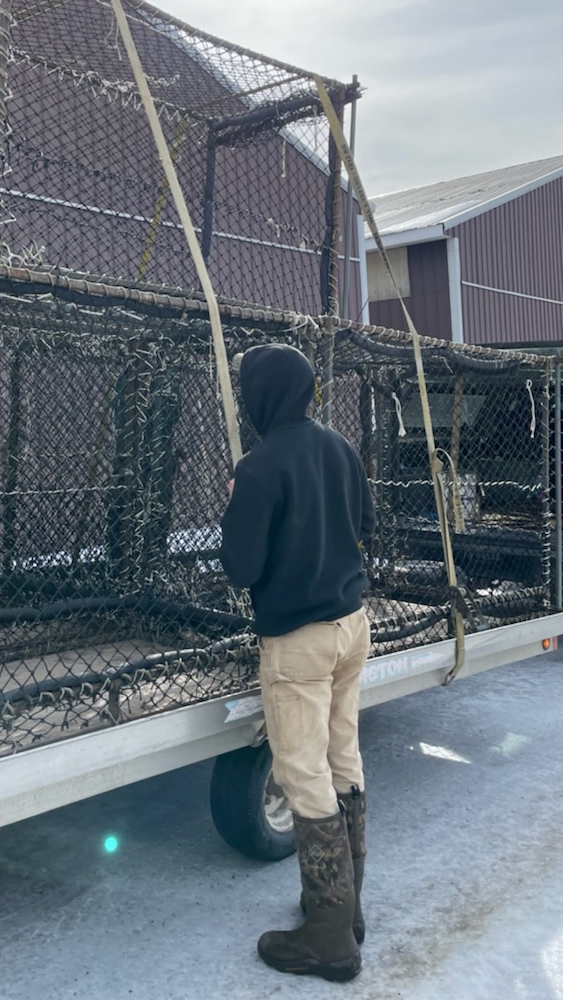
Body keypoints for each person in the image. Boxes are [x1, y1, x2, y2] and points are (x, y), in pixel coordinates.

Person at [219, 344, 375, 983]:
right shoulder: (340, 448)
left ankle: (330, 942)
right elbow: (365, 523)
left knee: (303, 774)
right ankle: (345, 908)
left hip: (299, 642)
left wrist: (237, 501)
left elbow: (241, 569)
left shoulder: (258, 467)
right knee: (344, 758)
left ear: (260, 397)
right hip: (351, 627)